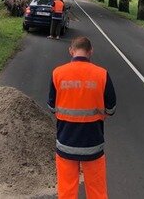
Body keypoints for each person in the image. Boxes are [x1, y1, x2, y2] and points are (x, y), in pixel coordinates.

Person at [47, 36, 116, 199]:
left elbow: (51, 107)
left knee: (66, 190)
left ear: (71, 51)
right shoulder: (102, 75)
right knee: (97, 191)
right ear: (90, 51)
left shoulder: (58, 73)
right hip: (93, 144)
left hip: (66, 143)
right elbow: (111, 109)